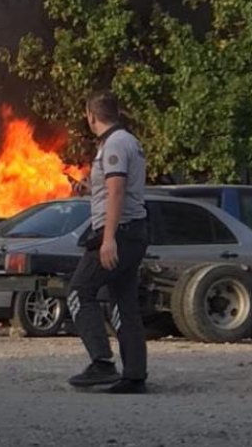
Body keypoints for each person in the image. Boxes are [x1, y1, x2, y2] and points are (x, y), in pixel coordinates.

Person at [67, 90, 149, 393]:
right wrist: (89, 188)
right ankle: (135, 376)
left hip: (120, 232)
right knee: (123, 302)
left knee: (79, 290)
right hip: (133, 231)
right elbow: (110, 189)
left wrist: (108, 239)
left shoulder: (114, 145)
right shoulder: (129, 141)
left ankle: (101, 363)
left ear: (91, 115)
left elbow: (117, 192)